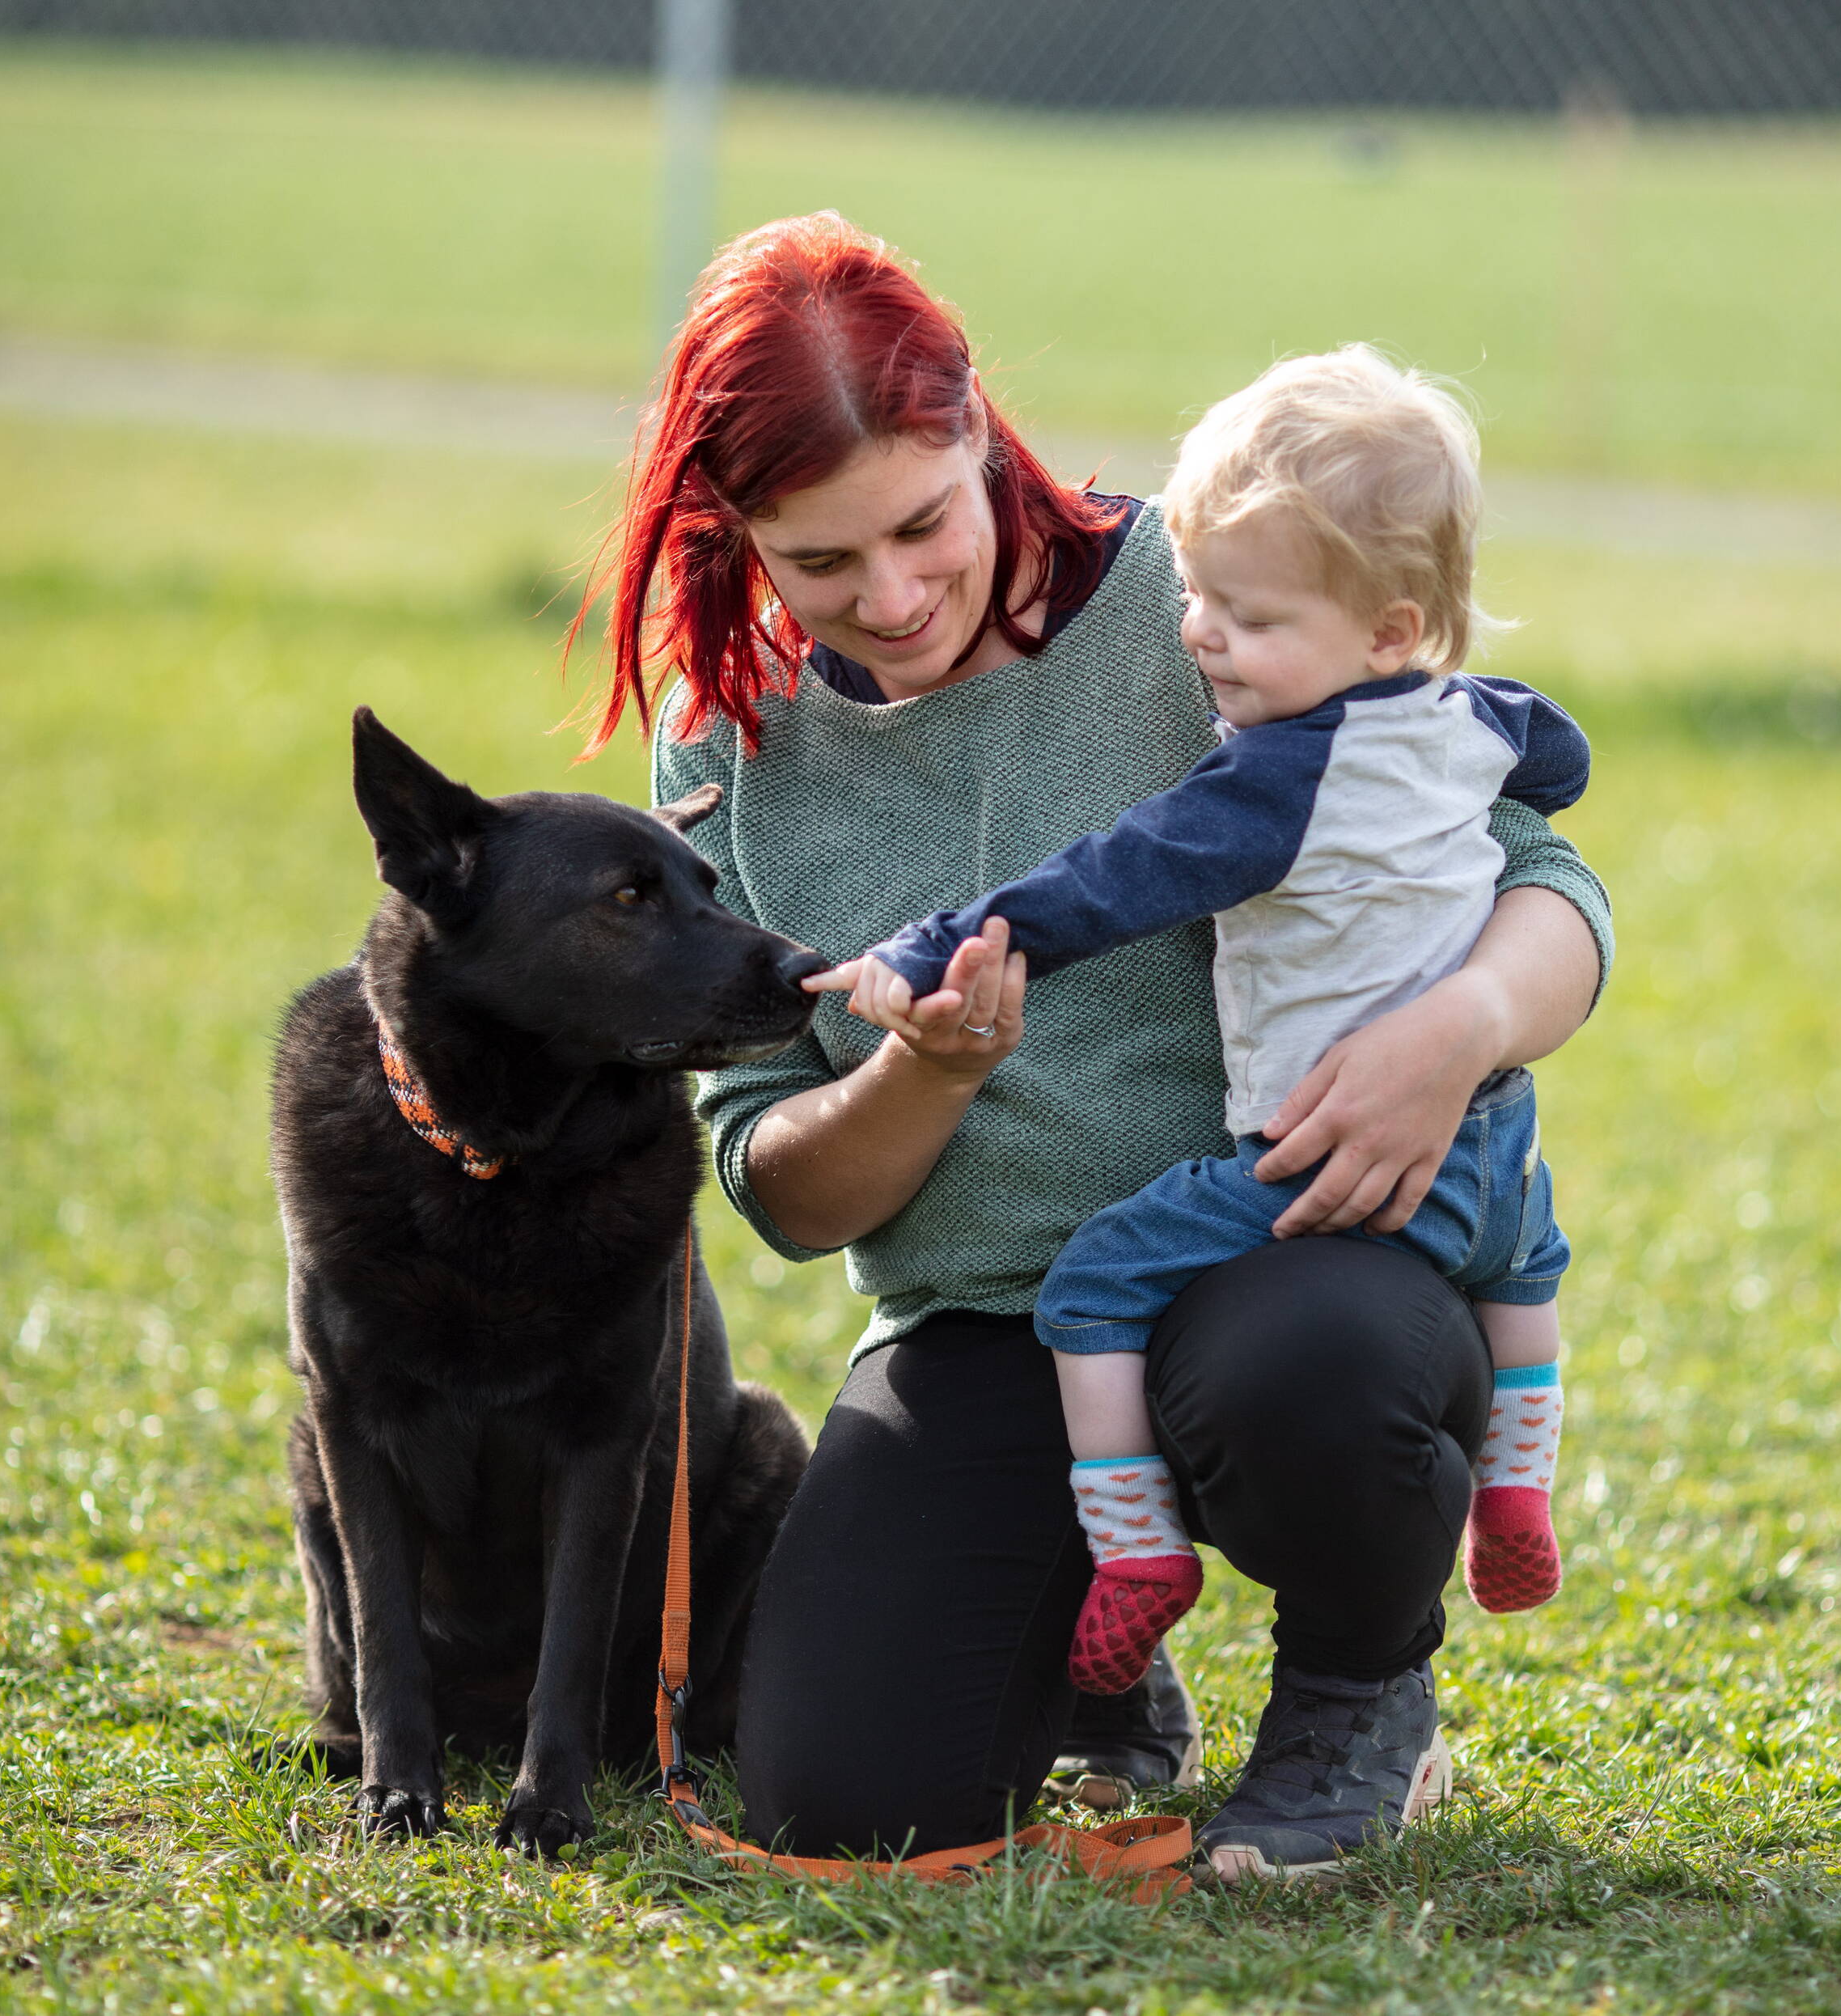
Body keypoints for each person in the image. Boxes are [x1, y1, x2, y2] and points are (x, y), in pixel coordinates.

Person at [603, 212, 1611, 1882]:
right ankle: (1100, 1644)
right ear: (743, 537)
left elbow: (1544, 880)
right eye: (822, 564)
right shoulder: (723, 737)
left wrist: (1461, 1027)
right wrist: (923, 1071)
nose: (894, 593)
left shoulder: (1206, 594)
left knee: (1318, 1371)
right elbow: (777, 1184)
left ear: (982, 425)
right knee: (846, 1798)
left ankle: (1359, 1692)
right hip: (1001, 1331)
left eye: (923, 523)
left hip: (1285, 1257)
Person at [806, 346, 1577, 1705]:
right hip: (1504, 1161)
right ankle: (1516, 1496)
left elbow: (1110, 879)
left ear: (1389, 631)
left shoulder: (1271, 769)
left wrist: (936, 949)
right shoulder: (1474, 713)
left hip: (1327, 1187)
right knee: (1528, 1277)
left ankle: (1172, 1574)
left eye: (1245, 618)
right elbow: (1555, 762)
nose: (1204, 635)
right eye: (1196, 599)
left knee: (1110, 1290)